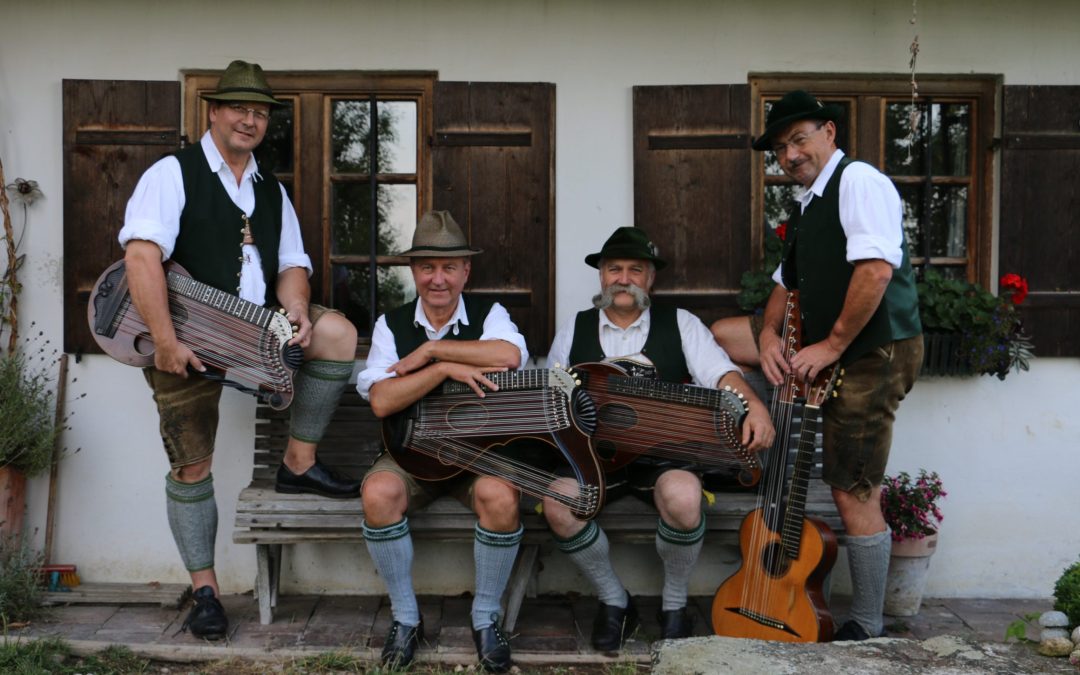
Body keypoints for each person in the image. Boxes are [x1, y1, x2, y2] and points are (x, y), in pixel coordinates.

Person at [119, 60, 361, 641]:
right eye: (240, 109)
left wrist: (297, 310)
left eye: (259, 112)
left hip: (254, 326)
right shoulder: (172, 173)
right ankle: (205, 591)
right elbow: (140, 259)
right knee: (191, 462)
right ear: (214, 111)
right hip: (188, 333)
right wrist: (168, 343)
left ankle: (298, 465)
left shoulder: (270, 189)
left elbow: (291, 266)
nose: (250, 120)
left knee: (336, 333)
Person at [711, 89, 924, 641]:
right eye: (781, 147)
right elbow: (787, 284)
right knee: (723, 337)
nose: (789, 155)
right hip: (834, 351)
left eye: (798, 139)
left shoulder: (858, 182)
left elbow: (875, 272)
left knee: (853, 489)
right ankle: (762, 426)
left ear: (829, 132)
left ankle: (869, 626)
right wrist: (767, 336)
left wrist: (827, 348)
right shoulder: (808, 202)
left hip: (874, 350)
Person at [543, 227, 775, 651]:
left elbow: (721, 376)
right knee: (558, 503)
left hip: (665, 456)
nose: (624, 278)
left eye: (636, 270)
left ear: (651, 279)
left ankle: (674, 604)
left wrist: (755, 407)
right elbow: (552, 396)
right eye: (615, 269)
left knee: (685, 499)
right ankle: (615, 601)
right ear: (601, 276)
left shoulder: (681, 324)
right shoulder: (573, 329)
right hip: (593, 458)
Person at [357, 210, 529, 673]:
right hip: (409, 456)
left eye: (449, 267)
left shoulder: (489, 314)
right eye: (428, 267)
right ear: (413, 270)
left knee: (501, 496)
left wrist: (433, 348)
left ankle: (486, 617)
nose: (438, 279)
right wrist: (442, 370)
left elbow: (508, 355)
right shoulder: (391, 325)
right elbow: (381, 400)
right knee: (378, 492)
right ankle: (406, 618)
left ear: (465, 271)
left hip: (477, 457)